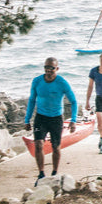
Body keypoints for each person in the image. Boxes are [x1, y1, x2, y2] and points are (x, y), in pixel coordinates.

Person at [24, 57, 78, 185]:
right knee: (38, 145)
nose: (48, 70)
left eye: (52, 68)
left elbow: (74, 102)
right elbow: (32, 100)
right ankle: (41, 174)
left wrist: (73, 120)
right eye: (46, 68)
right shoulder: (37, 81)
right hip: (41, 117)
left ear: (57, 69)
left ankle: (54, 172)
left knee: (56, 147)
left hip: (56, 118)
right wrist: (27, 120)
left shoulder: (62, 82)